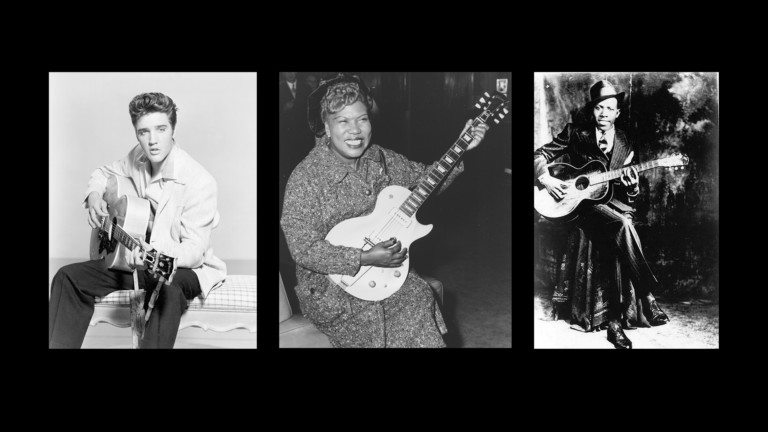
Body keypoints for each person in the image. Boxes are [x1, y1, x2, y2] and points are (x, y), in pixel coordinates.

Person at [280, 74, 489, 347]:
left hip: (385, 271)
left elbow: (427, 180)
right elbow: (303, 248)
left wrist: (462, 148)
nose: (355, 130)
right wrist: (364, 257)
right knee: (372, 322)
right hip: (331, 288)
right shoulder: (306, 177)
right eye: (343, 121)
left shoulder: (380, 158)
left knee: (417, 297)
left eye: (362, 119)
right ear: (326, 128)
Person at [49, 92, 227, 349]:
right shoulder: (137, 157)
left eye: (161, 129)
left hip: (184, 268)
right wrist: (94, 195)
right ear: (136, 133)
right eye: (144, 132)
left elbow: (194, 251)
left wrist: (151, 253)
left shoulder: (199, 181)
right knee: (67, 277)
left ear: (173, 128)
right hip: (135, 260)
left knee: (166, 289)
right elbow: (103, 173)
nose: (152, 141)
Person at [534, 79, 669, 349]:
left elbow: (631, 192)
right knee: (621, 225)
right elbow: (538, 155)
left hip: (614, 204)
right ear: (593, 110)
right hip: (581, 207)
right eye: (599, 108)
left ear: (617, 113)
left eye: (610, 108)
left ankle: (618, 320)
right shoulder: (575, 133)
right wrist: (546, 178)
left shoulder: (626, 140)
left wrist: (631, 187)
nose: (604, 113)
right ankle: (647, 297)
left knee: (620, 223)